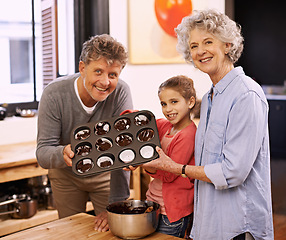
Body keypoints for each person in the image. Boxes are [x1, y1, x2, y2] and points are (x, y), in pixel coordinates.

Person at [143, 9, 274, 240]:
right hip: (210, 223)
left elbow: (232, 172)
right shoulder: (211, 96)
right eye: (193, 46)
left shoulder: (246, 94)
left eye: (208, 42)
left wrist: (176, 168)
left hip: (238, 226)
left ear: (227, 45)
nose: (200, 51)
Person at [36, 34, 133, 232]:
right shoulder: (54, 94)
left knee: (113, 230)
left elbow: (124, 149)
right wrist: (62, 152)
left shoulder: (121, 92)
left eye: (113, 74)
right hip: (66, 176)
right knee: (72, 232)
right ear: (82, 68)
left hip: (107, 175)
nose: (105, 82)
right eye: (98, 71)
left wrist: (115, 205)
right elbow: (43, 153)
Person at [125, 75, 197, 238]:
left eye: (174, 102)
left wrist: (142, 164)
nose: (168, 109)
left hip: (172, 212)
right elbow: (143, 121)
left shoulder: (188, 135)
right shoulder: (165, 126)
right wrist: (129, 115)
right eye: (163, 104)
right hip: (155, 203)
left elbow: (169, 173)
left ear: (190, 102)